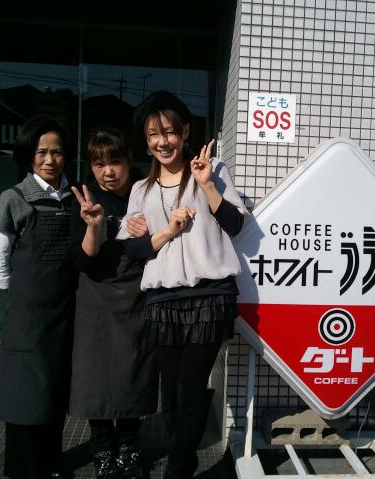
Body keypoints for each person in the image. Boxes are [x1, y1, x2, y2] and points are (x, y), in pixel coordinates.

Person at [117, 91, 249, 479]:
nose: (163, 142)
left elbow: (236, 224)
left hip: (209, 296)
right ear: (146, 141)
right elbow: (132, 250)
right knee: (171, 391)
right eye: (154, 135)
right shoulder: (140, 190)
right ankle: (185, 461)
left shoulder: (212, 170)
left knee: (191, 387)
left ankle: (176, 469)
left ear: (185, 132)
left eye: (170, 132)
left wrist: (207, 185)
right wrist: (147, 233)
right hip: (162, 300)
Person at [0, 115, 78, 479]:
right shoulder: (14, 198)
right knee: (24, 391)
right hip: (27, 314)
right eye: (42, 152)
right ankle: (24, 468)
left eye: (57, 152)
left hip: (64, 310)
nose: (50, 160)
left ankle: (51, 462)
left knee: (54, 389)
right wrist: (15, 288)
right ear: (29, 155)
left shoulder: (74, 197)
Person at [69, 128, 158, 479]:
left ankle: (129, 449)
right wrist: (93, 226)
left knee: (133, 372)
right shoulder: (84, 197)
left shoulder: (146, 191)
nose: (107, 171)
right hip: (95, 298)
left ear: (129, 160)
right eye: (98, 163)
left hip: (136, 295)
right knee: (96, 377)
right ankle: (103, 452)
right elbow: (83, 261)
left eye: (115, 162)